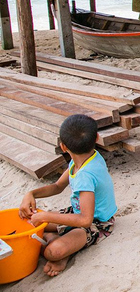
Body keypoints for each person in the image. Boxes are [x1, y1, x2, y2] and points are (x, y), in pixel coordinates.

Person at [19, 115, 117, 277]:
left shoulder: (85, 175)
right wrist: (31, 194)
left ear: (63, 146)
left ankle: (64, 251)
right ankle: (62, 241)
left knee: (52, 252)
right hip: (77, 213)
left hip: (97, 223)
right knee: (31, 222)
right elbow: (57, 186)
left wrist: (46, 216)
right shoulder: (83, 160)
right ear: (97, 138)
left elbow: (86, 220)